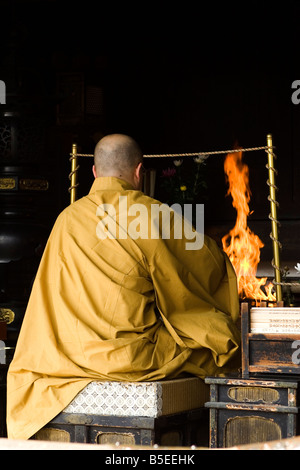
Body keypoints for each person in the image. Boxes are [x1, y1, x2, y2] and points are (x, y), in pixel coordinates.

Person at [6, 134, 241, 441]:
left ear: (93, 172)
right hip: (128, 358)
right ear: (139, 172)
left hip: (60, 355)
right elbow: (210, 265)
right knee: (217, 348)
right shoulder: (152, 215)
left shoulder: (66, 219)